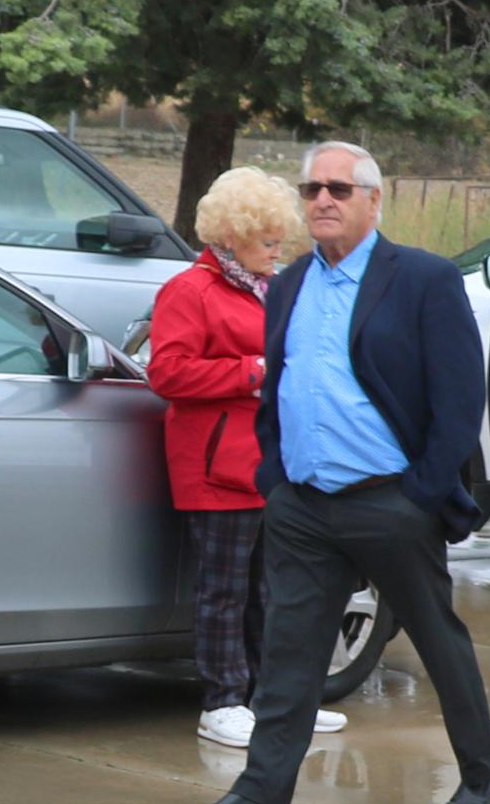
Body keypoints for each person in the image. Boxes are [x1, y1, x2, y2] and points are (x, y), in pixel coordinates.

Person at [170, 143, 490, 804]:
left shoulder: (421, 278)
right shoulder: (292, 281)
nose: (322, 199)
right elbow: (280, 384)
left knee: (438, 641)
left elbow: (459, 398)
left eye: (339, 189)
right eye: (312, 188)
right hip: (302, 501)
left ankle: (483, 774)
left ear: (372, 200)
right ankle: (262, 796)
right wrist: (275, 475)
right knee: (290, 655)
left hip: (390, 499)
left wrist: (421, 490)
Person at [140, 165, 345, 750]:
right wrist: (251, 372)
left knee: (273, 592)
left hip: (269, 465)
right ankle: (223, 700)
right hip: (217, 467)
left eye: (282, 240)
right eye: (269, 240)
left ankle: (274, 701)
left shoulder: (269, 287)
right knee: (225, 591)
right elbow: (168, 372)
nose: (278, 251)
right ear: (232, 235)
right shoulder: (189, 291)